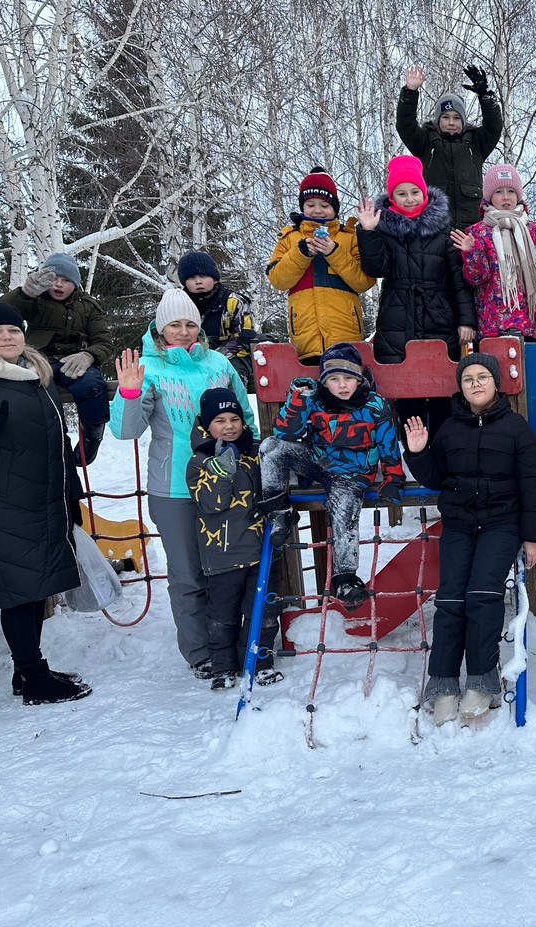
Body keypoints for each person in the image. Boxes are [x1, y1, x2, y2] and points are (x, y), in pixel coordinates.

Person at [111, 287, 257, 678]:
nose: (184, 331)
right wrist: (128, 392)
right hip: (175, 487)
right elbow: (127, 431)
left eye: (190, 323)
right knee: (189, 574)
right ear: (161, 328)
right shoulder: (150, 368)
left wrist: (247, 465)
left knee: (231, 567)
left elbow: (245, 417)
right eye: (174, 324)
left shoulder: (218, 365)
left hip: (225, 485)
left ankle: (241, 645)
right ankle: (200, 652)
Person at [0, 300, 91, 703]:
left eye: (12, 330)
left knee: (38, 584)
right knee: (18, 589)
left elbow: (54, 440)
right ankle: (33, 677)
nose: (7, 337)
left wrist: (71, 487)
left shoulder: (36, 372)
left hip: (44, 497)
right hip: (0, 501)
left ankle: (27, 673)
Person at [403, 352, 536, 724]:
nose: (476, 384)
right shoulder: (450, 428)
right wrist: (418, 453)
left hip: (501, 525)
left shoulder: (516, 429)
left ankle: (482, 681)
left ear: (495, 383)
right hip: (460, 525)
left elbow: (532, 487)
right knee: (450, 597)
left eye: (482, 377)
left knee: (483, 594)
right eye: (468, 379)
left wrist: (532, 538)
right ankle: (443, 681)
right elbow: (436, 477)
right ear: (461, 388)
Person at [258, 342, 404, 609]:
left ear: (358, 379)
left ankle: (345, 578)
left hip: (353, 474)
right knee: (270, 448)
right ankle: (279, 511)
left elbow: (387, 443)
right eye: (335, 379)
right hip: (317, 461)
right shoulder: (314, 400)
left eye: (348, 378)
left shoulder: (374, 405)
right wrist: (298, 398)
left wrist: (393, 477)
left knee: (345, 514)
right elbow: (285, 433)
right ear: (325, 383)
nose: (342, 385)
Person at [355, 154, 476, 434]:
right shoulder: (384, 229)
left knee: (442, 393)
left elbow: (459, 282)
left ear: (424, 192)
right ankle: (414, 457)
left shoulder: (444, 231)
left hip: (439, 318)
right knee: (407, 396)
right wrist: (369, 232)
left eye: (414, 192)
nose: (409, 199)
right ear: (392, 197)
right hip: (398, 318)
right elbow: (377, 268)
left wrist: (466, 321)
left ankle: (445, 459)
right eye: (401, 193)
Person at [186, 388, 283, 690]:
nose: (229, 426)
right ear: (206, 425)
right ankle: (223, 667)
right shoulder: (198, 462)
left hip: (261, 550)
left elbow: (273, 489)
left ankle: (258, 662)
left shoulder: (255, 453)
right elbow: (211, 504)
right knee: (222, 616)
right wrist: (221, 473)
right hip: (223, 555)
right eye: (219, 420)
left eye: (235, 419)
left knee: (263, 611)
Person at [0, 252, 112, 464]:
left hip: (74, 362)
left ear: (76, 283)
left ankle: (92, 437)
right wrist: (23, 294)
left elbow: (104, 342)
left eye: (66, 280)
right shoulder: (34, 301)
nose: (58, 285)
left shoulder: (89, 307)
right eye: (53, 278)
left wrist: (89, 355)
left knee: (92, 386)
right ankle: (49, 439)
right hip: (38, 359)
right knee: (34, 390)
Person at [267, 167, 375, 363]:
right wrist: (301, 253)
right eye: (310, 204)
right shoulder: (290, 238)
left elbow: (364, 281)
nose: (317, 210)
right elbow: (278, 280)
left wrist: (334, 252)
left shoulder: (349, 238)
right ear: (302, 206)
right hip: (306, 338)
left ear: (335, 207)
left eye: (325, 205)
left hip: (346, 335)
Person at [451, 164, 536, 342]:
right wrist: (472, 252)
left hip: (529, 328)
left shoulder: (534, 233)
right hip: (492, 328)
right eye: (499, 191)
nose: (506, 197)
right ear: (489, 197)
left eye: (511, 191)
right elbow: (476, 278)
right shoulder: (477, 233)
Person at [396, 64, 503, 231]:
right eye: (445, 117)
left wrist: (485, 96)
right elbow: (405, 125)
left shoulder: (476, 144)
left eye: (456, 118)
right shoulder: (425, 142)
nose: (451, 122)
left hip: (472, 229)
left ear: (463, 121)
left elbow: (494, 127)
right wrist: (410, 92)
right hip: (436, 229)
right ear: (438, 120)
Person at [178, 250, 260, 390]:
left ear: (215, 278)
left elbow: (244, 337)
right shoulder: (180, 304)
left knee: (230, 379)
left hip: (234, 357)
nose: (198, 281)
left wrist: (213, 356)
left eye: (203, 276)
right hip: (190, 356)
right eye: (192, 278)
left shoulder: (234, 301)